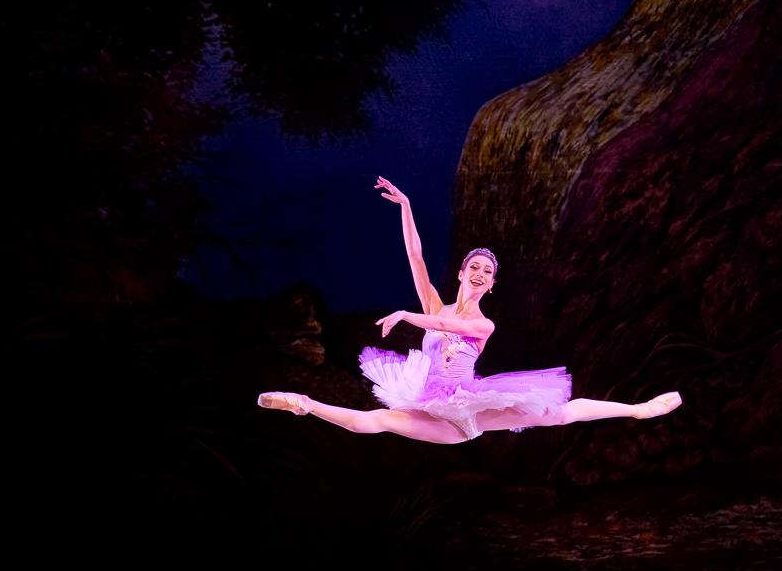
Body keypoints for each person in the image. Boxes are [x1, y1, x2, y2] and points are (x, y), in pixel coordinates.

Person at [258, 177, 682, 442]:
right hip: (432, 409)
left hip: (471, 412)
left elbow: (442, 323)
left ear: (491, 285)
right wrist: (406, 208)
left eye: (488, 272)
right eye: (474, 267)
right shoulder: (434, 303)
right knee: (379, 420)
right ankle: (304, 403)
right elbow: (416, 259)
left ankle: (637, 409)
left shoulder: (483, 324)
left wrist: (406, 316)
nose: (480, 273)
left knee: (556, 415)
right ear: (461, 273)